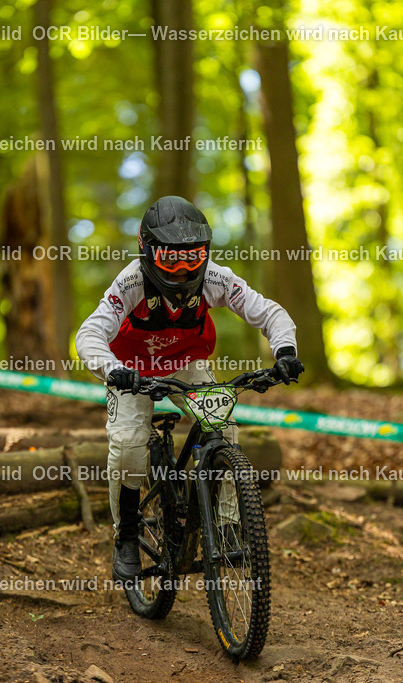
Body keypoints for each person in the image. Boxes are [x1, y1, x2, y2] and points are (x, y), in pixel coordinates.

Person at [75, 196, 304, 582]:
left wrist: (285, 351)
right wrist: (112, 369)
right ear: (147, 250)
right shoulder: (131, 280)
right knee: (130, 443)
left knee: (225, 427)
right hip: (131, 370)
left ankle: (228, 524)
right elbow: (90, 333)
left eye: (193, 257)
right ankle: (126, 535)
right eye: (170, 259)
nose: (182, 270)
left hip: (187, 363)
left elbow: (268, 311)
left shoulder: (216, 277)